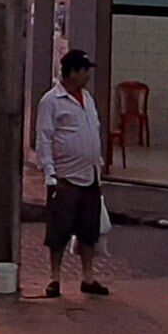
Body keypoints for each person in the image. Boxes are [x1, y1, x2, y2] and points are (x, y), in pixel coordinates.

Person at [34, 49, 108, 298]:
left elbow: (93, 131)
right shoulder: (51, 101)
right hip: (64, 177)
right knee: (59, 231)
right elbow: (44, 138)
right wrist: (49, 173)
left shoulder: (87, 99)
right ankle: (54, 277)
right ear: (74, 72)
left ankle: (88, 276)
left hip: (89, 174)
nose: (88, 76)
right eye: (85, 70)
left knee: (89, 231)